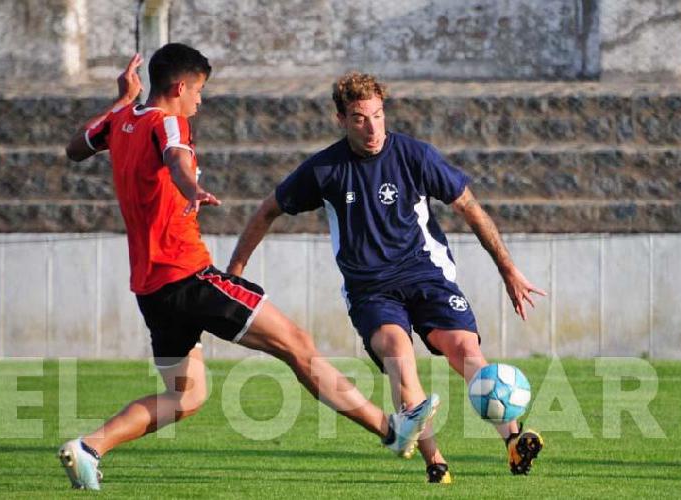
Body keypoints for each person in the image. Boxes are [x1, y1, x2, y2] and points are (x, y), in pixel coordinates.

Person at [56, 46, 439, 491]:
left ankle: (88, 447)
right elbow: (178, 158)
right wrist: (192, 188)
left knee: (188, 394)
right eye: (198, 91)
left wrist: (123, 99)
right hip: (187, 276)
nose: (200, 101)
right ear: (180, 88)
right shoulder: (169, 121)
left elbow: (74, 148)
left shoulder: (122, 121)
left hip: (151, 289)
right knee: (297, 344)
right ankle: (393, 432)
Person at [226, 72, 548, 484]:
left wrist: (508, 269)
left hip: (427, 275)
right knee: (398, 351)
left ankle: (513, 442)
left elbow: (469, 207)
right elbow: (267, 210)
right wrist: (235, 273)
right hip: (370, 291)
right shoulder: (325, 169)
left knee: (465, 349)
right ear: (341, 118)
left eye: (378, 115)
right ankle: (435, 462)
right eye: (360, 118)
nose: (373, 127)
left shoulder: (415, 156)